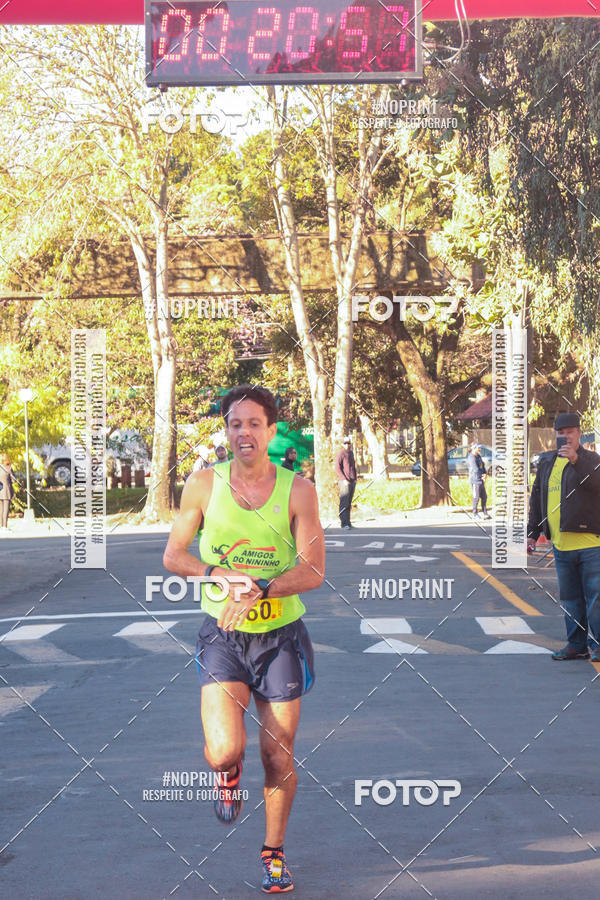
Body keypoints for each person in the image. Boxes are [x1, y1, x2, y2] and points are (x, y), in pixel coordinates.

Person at [163, 384, 325, 893]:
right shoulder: (202, 485)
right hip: (223, 635)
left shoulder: (298, 490)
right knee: (222, 750)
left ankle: (273, 853)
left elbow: (314, 570)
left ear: (271, 430)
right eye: (235, 424)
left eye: (254, 424)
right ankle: (226, 774)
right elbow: (173, 556)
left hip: (280, 638)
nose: (244, 433)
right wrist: (215, 573)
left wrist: (260, 587)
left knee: (278, 756)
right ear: (227, 431)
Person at [527, 412, 600, 662]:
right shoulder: (547, 463)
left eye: (570, 432)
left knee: (595, 598)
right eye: (561, 433)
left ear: (579, 433)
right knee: (570, 600)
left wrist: (577, 460)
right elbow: (537, 499)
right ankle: (576, 645)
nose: (566, 437)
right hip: (561, 546)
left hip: (592, 544)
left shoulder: (592, 460)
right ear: (555, 435)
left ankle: (598, 645)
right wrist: (532, 534)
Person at [336, 436, 356, 529]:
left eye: (348, 443)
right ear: (342, 444)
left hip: (352, 480)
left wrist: (355, 478)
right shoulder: (341, 453)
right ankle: (344, 523)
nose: (347, 445)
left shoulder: (351, 453)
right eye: (345, 443)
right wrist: (344, 479)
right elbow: (338, 468)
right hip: (344, 481)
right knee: (344, 502)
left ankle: (348, 522)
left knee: (349, 502)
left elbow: (353, 466)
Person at [467, 443, 491, 519]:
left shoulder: (478, 456)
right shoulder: (471, 457)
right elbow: (475, 469)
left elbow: (482, 466)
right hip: (475, 480)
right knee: (476, 497)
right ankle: (475, 513)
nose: (480, 449)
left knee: (484, 497)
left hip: (480, 480)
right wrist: (481, 475)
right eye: (478, 448)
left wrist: (485, 473)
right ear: (474, 448)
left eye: (480, 448)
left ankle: (485, 513)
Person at [0, 454, 16, 532]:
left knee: (1, 509)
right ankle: (5, 526)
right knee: (6, 509)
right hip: (6, 491)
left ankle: (1, 526)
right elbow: (14, 480)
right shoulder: (8, 468)